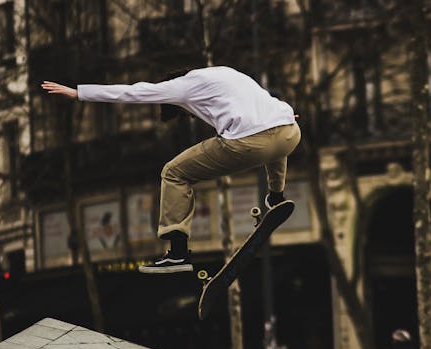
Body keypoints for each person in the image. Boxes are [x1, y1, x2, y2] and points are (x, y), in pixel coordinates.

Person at [41, 66, 301, 273]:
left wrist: (80, 93)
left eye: (185, 114)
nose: (191, 117)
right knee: (276, 146)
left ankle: (177, 252)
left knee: (174, 173)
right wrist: (281, 118)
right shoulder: (225, 74)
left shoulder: (184, 87)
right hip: (290, 131)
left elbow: (134, 93)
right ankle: (276, 197)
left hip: (248, 143)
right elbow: (263, 101)